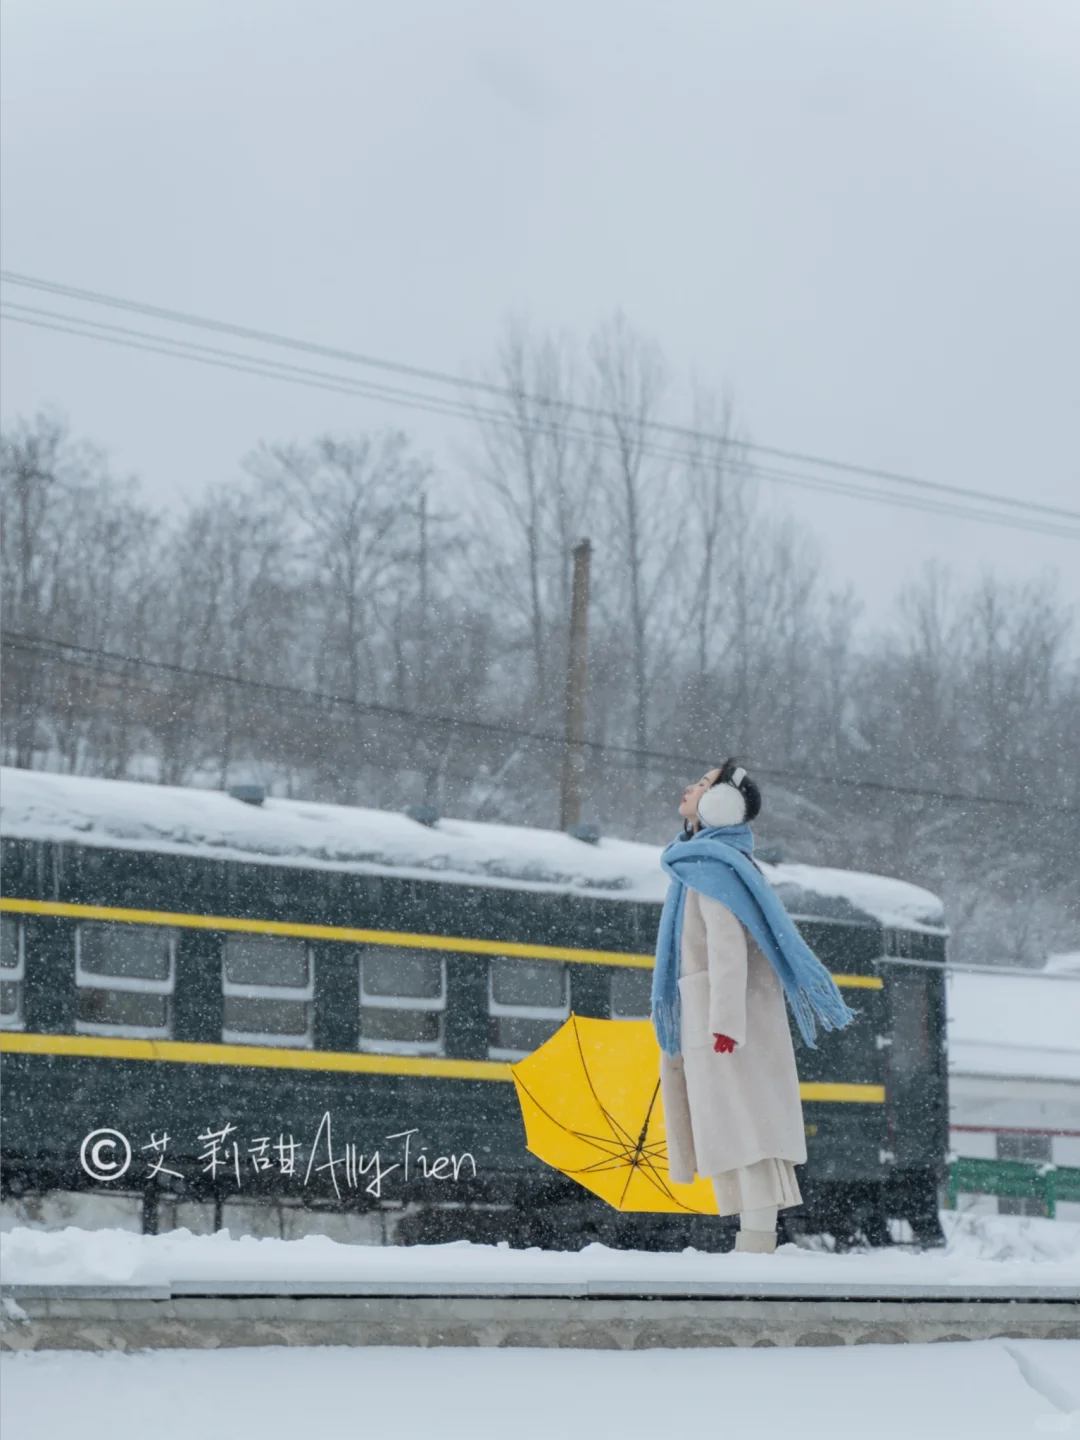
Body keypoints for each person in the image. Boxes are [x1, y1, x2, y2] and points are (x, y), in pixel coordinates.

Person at [652, 759, 855, 1253]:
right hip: (719, 1017)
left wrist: (724, 1024)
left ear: (722, 805)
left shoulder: (712, 870)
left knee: (744, 1129)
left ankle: (756, 1240)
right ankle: (753, 1237)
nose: (688, 788)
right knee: (735, 1128)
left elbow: (727, 951)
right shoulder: (704, 865)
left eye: (702, 785)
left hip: (726, 1022)